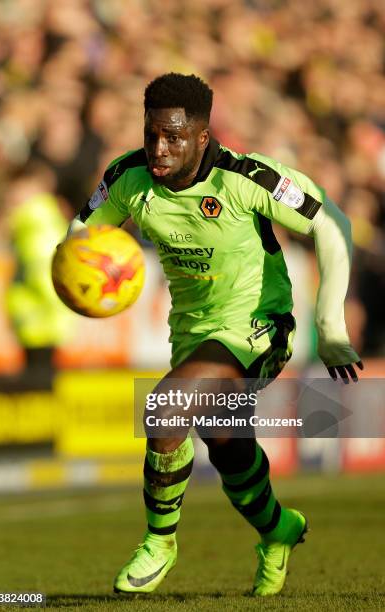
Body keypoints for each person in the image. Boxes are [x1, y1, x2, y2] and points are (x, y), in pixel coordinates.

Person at [68, 73, 363, 597]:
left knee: (164, 410)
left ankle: (160, 541)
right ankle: (279, 530)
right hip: (193, 336)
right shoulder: (128, 179)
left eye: (174, 137)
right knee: (227, 448)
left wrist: (331, 324)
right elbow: (81, 238)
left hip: (258, 328)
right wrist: (82, 276)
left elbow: (330, 222)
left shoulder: (245, 177)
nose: (160, 148)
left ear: (203, 136)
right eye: (152, 133)